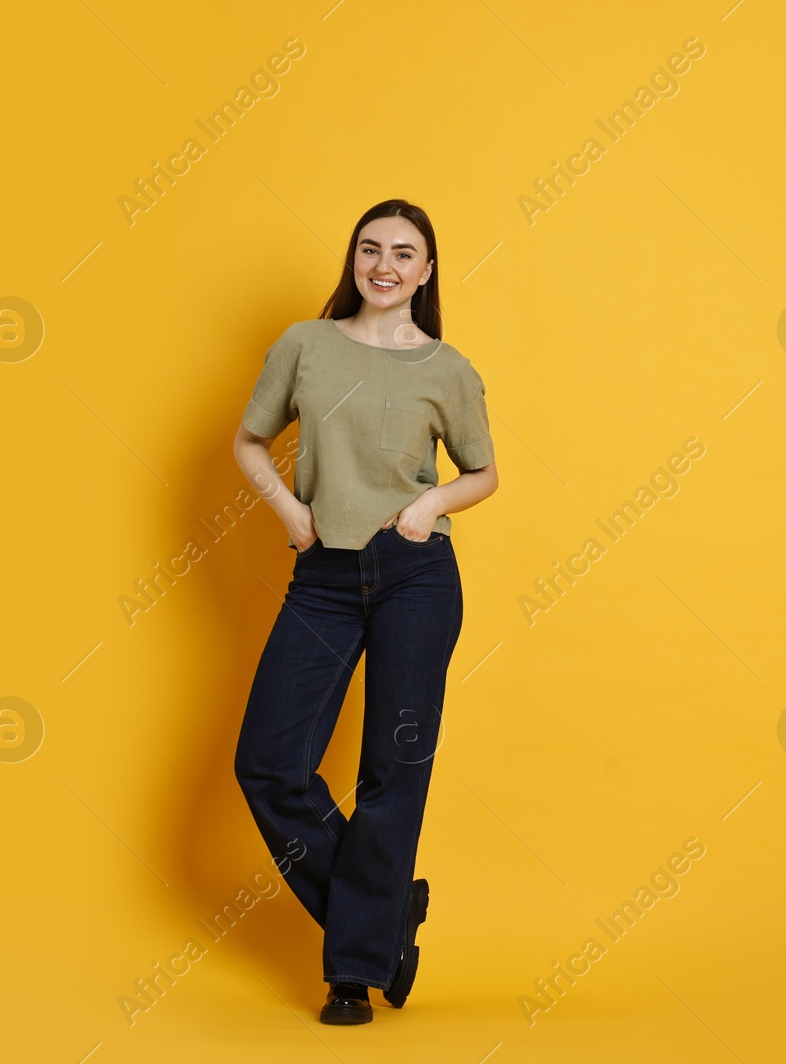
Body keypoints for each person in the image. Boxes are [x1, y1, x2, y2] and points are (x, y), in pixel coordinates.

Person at [231, 198, 499, 1025]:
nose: (384, 264)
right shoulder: (303, 345)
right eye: (370, 248)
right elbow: (247, 441)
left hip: (415, 572)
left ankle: (352, 972)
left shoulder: (447, 367)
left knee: (392, 771)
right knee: (269, 761)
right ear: (354, 259)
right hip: (323, 574)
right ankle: (385, 921)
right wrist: (288, 510)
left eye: (403, 253)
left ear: (426, 271)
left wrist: (431, 504)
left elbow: (484, 471)